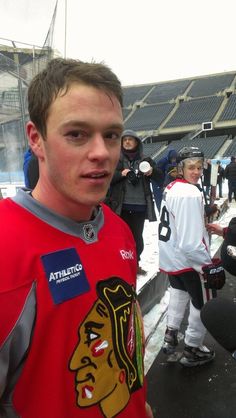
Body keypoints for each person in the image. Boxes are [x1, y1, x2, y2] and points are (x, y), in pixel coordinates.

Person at [0, 58, 153, 418]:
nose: (101, 152)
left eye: (111, 135)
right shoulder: (6, 248)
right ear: (36, 139)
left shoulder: (117, 230)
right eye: (77, 134)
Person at [158, 146, 225, 367]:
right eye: (191, 167)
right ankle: (193, 347)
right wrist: (206, 265)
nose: (196, 172)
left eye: (198, 167)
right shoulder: (189, 193)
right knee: (202, 303)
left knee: (178, 293)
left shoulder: (173, 187)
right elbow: (190, 242)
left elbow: (177, 220)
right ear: (180, 167)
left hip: (172, 257)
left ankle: (171, 334)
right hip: (188, 259)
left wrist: (202, 212)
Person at [106, 129, 163, 275]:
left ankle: (135, 263)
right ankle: (120, 264)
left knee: (137, 237)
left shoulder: (145, 160)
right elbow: (107, 178)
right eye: (124, 140)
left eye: (130, 139)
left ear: (137, 142)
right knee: (120, 237)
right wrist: (121, 174)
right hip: (120, 206)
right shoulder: (115, 159)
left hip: (140, 206)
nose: (127, 142)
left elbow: (161, 178)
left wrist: (151, 172)